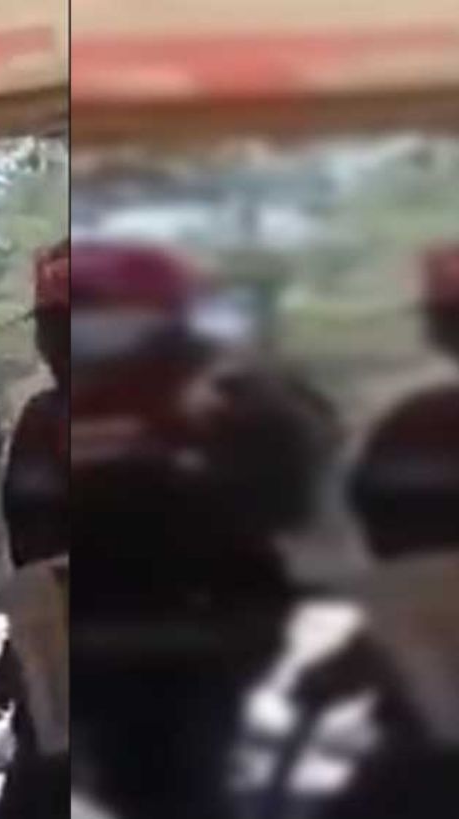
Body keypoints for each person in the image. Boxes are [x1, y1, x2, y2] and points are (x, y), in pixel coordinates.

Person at [67, 242, 336, 819]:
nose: (82, 320)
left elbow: (286, 503)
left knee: (182, 789)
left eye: (96, 303)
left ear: (158, 310)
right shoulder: (89, 393)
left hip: (196, 645)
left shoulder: (230, 390)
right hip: (99, 645)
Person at [293, 244, 459, 819]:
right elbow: (409, 587)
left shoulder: (413, 428)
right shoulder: (412, 429)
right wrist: (362, 654)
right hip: (425, 706)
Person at [0, 239, 70, 819]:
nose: (50, 341)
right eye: (46, 323)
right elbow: (33, 569)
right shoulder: (41, 421)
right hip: (49, 678)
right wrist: (12, 660)